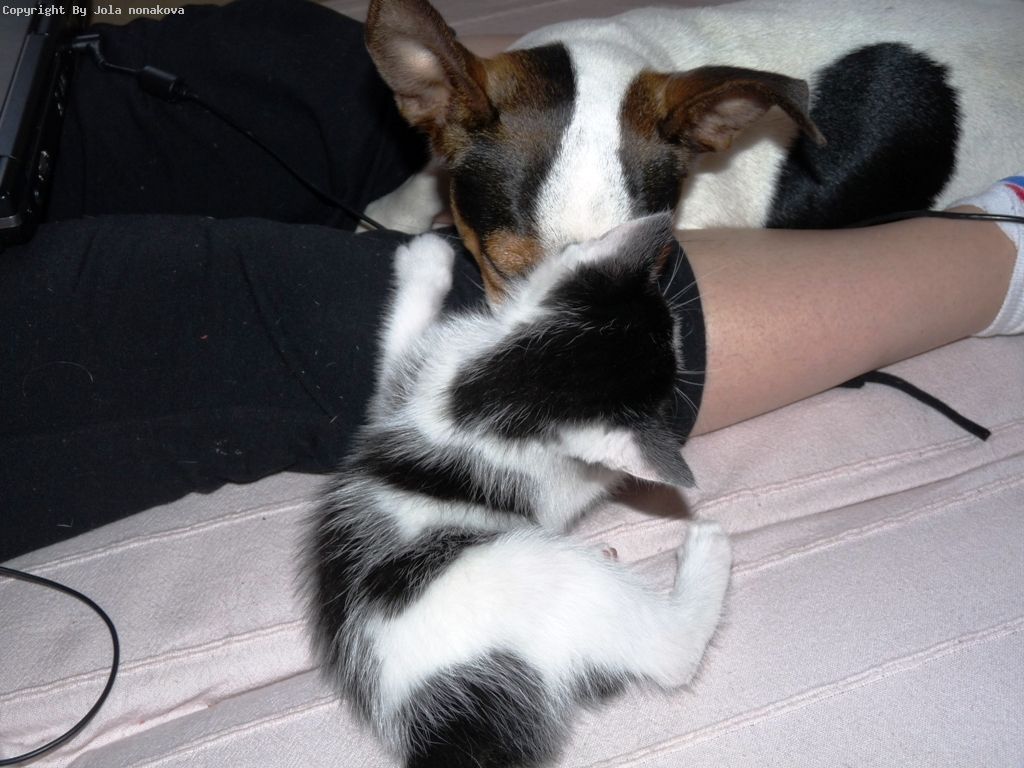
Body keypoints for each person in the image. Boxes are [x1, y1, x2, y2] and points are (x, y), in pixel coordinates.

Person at [1, 0, 1021, 561]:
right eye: (522, 273)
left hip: (52, 89)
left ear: (715, 128)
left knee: (282, 53)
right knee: (252, 310)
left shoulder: (678, 123)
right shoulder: (482, 111)